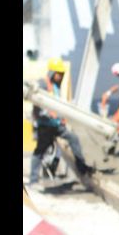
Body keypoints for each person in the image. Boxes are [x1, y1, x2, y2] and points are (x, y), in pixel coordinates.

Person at [29, 57, 94, 189]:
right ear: (52, 73)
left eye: (62, 74)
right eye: (59, 74)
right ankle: (33, 181)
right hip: (45, 125)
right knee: (40, 151)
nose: (60, 77)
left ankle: (82, 168)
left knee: (73, 138)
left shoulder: (56, 87)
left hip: (56, 124)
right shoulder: (42, 84)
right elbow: (36, 99)